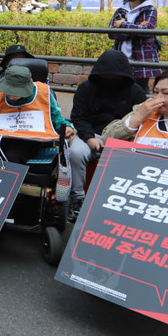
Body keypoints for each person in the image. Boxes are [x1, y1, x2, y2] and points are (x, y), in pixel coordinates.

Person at [68, 50, 147, 220]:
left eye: (115, 76)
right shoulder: (86, 89)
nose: (110, 79)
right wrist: (89, 138)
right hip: (90, 133)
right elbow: (79, 117)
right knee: (76, 153)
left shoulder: (136, 92)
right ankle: (78, 197)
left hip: (123, 137)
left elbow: (138, 120)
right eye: (106, 76)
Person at [109, 0, 161, 91]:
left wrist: (123, 25)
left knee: (140, 91)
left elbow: (146, 31)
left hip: (142, 58)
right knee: (120, 91)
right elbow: (111, 33)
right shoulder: (121, 10)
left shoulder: (150, 10)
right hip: (121, 58)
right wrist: (136, 29)